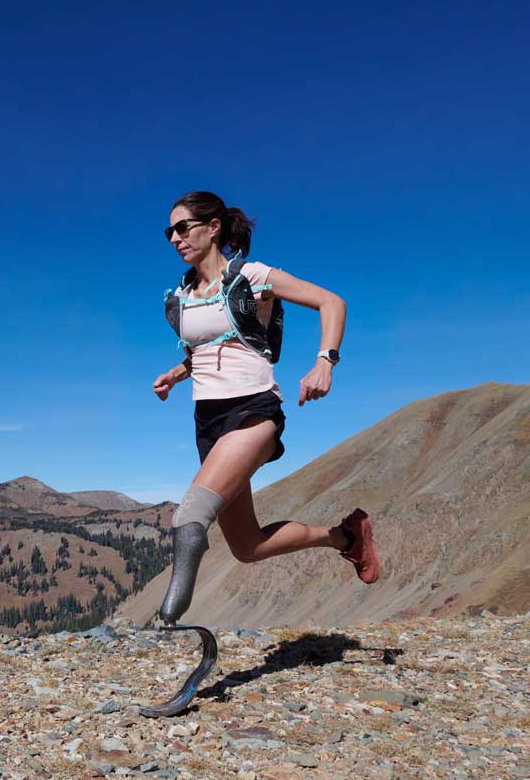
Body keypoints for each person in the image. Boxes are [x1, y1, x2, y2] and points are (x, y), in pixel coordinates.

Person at [152, 190, 380, 626]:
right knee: (247, 547)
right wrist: (176, 374)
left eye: (183, 227)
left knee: (191, 515)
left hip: (253, 410)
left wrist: (324, 361)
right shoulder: (185, 292)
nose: (175, 238)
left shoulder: (252, 275)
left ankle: (167, 625)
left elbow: (332, 302)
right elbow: (210, 347)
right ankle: (346, 536)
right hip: (208, 420)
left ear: (213, 227)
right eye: (170, 232)